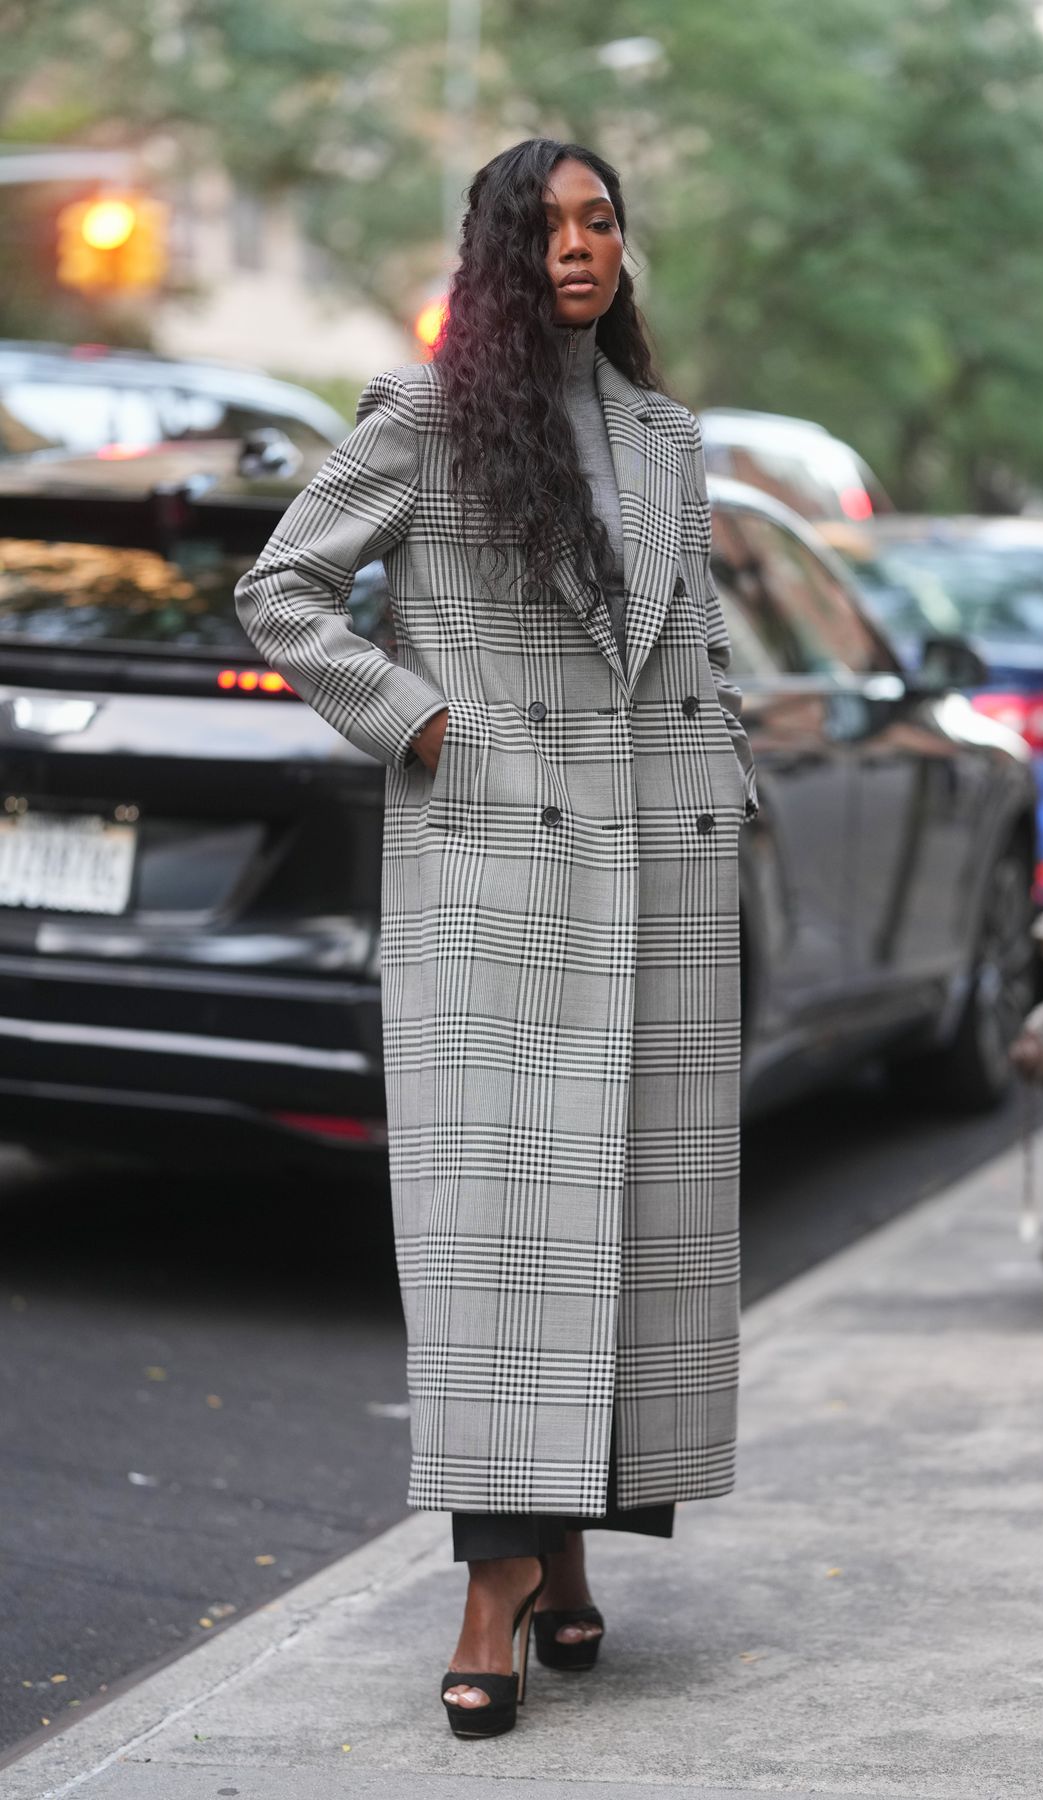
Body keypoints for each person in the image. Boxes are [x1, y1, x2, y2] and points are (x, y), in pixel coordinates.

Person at [235, 136, 758, 1741]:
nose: (581, 249)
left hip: (658, 876)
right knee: (500, 1256)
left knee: (634, 1234)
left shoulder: (669, 440)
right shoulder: (424, 418)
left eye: (602, 221)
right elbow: (284, 590)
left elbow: (703, 637)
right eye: (544, 229)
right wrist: (427, 727)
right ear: (494, 254)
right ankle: (494, 1583)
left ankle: (573, 1552)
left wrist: (721, 768)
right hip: (497, 877)